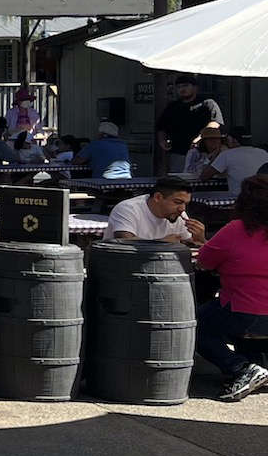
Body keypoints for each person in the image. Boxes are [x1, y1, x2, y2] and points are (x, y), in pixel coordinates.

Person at [194, 175, 268, 401]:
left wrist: (201, 241)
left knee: (193, 326)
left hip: (245, 309)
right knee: (240, 323)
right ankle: (253, 366)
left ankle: (240, 368)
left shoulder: (236, 229)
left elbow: (204, 262)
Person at [156, 75, 225, 174]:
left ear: (195, 87)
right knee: (178, 181)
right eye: (179, 87)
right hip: (178, 152)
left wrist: (200, 138)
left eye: (185, 86)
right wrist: (162, 141)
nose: (182, 89)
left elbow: (215, 123)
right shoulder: (172, 107)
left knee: (201, 180)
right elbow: (161, 127)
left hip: (203, 153)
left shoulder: (208, 103)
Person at [106, 176, 204, 244]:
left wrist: (200, 239)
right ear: (158, 197)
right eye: (177, 202)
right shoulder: (128, 209)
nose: (182, 209)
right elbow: (124, 242)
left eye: (185, 204)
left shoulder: (177, 214)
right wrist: (160, 243)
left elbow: (190, 242)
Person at [203, 128, 268, 193]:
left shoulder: (227, 154)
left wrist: (216, 154)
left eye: (227, 138)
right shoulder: (264, 152)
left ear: (233, 140)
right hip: (263, 198)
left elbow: (204, 176)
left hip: (239, 198)